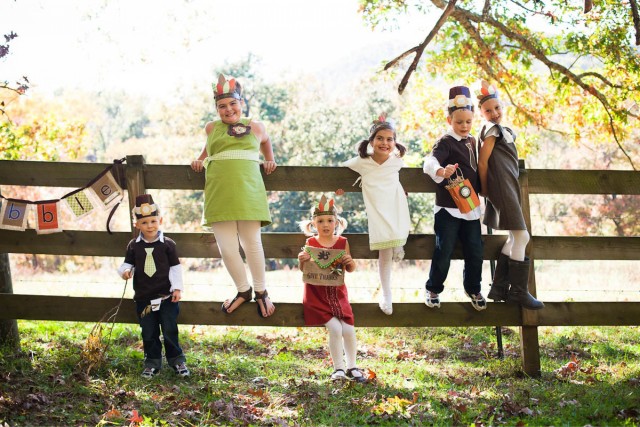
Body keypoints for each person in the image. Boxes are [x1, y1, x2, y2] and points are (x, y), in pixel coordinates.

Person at [190, 73, 277, 318]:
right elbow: (209, 150)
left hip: (249, 191)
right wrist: (199, 161)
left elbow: (266, 142)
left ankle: (261, 291)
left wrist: (269, 160)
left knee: (252, 243)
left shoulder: (257, 126)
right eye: (222, 106)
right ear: (216, 108)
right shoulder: (211, 128)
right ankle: (243, 290)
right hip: (219, 192)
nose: (228, 110)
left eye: (232, 104)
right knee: (227, 248)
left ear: (241, 102)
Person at [475, 80, 544, 310]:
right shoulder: (491, 131)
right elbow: (483, 162)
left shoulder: (503, 130)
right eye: (488, 110)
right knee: (522, 237)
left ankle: (499, 288)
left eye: (497, 108)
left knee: (515, 238)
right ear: (481, 113)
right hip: (502, 188)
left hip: (509, 187)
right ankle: (519, 292)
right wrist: (485, 188)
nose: (494, 113)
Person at [422, 85, 486, 311]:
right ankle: (433, 288)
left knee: (475, 250)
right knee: (444, 249)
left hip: (470, 208)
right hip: (448, 209)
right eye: (459, 122)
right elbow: (429, 162)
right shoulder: (445, 142)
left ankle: (473, 288)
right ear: (450, 121)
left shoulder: (474, 142)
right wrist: (440, 171)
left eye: (468, 122)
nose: (464, 126)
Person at [340, 113, 410, 315]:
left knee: (397, 230)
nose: (385, 143)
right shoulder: (362, 162)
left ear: (395, 143)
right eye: (380, 138)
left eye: (390, 139)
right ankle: (386, 294)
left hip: (395, 206)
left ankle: (399, 242)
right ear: (371, 141)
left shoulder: (397, 162)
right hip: (377, 212)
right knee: (384, 251)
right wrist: (340, 188)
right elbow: (340, 170)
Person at [118, 194, 189, 379]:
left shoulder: (168, 245)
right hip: (144, 299)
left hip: (166, 297)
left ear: (160, 220)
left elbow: (175, 268)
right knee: (149, 332)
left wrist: (177, 289)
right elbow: (127, 264)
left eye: (153, 221)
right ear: (137, 225)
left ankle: (177, 360)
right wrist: (125, 272)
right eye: (144, 222)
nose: (149, 226)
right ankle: (152, 362)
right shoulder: (134, 246)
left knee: (169, 329)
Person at [297, 195, 367, 383]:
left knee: (349, 329)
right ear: (313, 224)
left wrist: (350, 262)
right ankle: (339, 369)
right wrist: (301, 260)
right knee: (335, 328)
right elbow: (306, 271)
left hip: (338, 294)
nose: (325, 225)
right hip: (316, 296)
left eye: (329, 220)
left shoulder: (342, 242)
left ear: (336, 222)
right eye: (320, 221)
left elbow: (349, 269)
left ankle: (352, 366)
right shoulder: (311, 243)